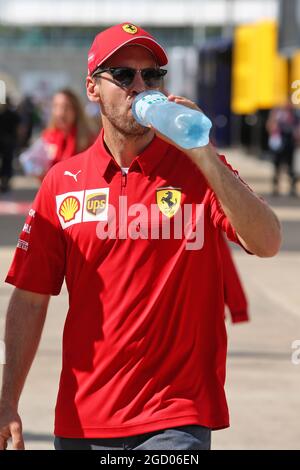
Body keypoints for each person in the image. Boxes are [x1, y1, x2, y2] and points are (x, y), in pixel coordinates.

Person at [0, 23, 281, 451]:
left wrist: (204, 154)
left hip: (176, 417)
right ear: (92, 89)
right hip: (82, 421)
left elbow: (267, 241)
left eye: (152, 76)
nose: (140, 86)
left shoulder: (199, 169)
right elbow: (31, 297)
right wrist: (8, 400)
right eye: (124, 75)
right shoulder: (62, 184)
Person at [19, 88, 95, 181]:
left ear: (76, 110)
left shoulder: (89, 139)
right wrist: (40, 172)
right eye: (56, 106)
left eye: (66, 107)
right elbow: (26, 160)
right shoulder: (48, 138)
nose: (60, 113)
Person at [266, 102, 299, 197]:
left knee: (291, 167)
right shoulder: (277, 113)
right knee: (277, 166)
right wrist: (273, 126)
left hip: (290, 142)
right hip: (279, 142)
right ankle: (275, 187)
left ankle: (292, 187)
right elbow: (269, 126)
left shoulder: (295, 114)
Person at [0, 97, 21, 192]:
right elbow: (18, 129)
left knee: (4, 162)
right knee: (7, 162)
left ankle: (3, 182)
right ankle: (5, 182)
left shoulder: (2, 114)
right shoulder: (14, 115)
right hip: (10, 142)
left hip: (2, 142)